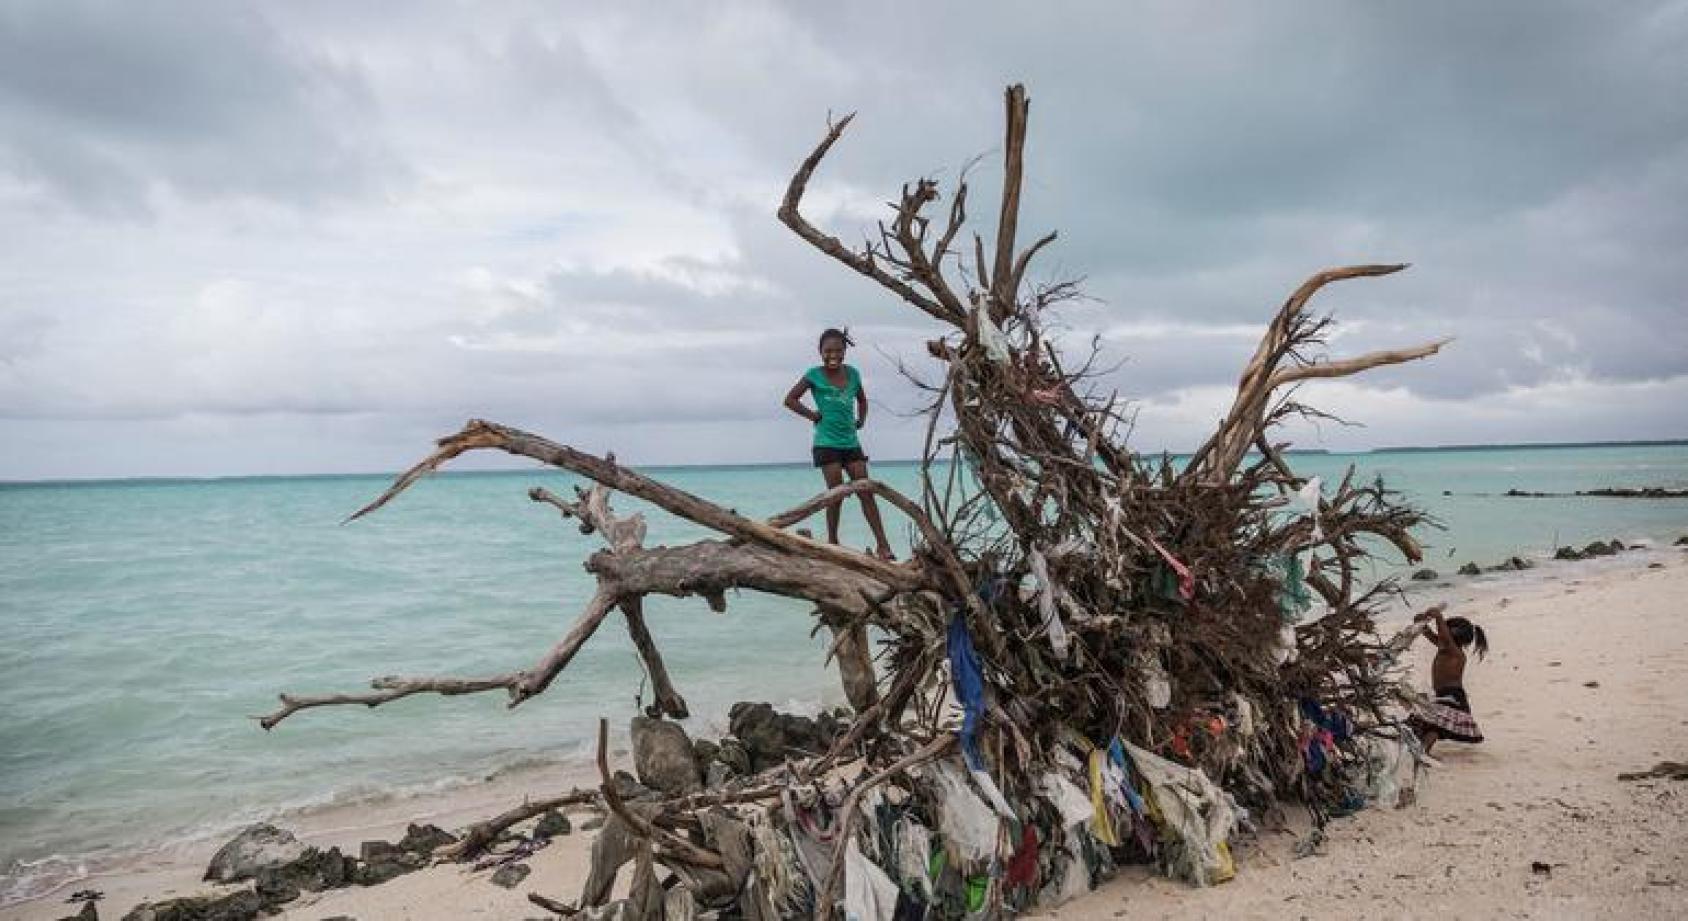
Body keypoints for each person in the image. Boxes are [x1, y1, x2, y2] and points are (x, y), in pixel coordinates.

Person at [783, 328, 896, 560]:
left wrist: (861, 420)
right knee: (835, 494)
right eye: (828, 351)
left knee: (866, 491)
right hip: (827, 444)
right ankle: (833, 542)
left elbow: (862, 400)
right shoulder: (813, 375)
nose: (833, 355)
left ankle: (883, 546)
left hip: (851, 443)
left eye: (838, 350)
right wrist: (813, 416)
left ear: (845, 351)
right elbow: (790, 400)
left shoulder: (853, 374)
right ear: (820, 352)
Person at [1407, 604, 1490, 754]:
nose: (1442, 634)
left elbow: (1444, 637)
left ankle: (1424, 751)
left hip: (1453, 695)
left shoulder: (1455, 652)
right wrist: (1420, 620)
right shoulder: (1443, 647)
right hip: (1443, 693)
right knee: (1425, 720)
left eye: (1446, 629)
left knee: (1436, 724)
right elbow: (1428, 633)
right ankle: (1419, 746)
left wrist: (1439, 617)